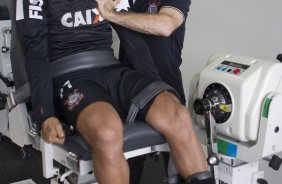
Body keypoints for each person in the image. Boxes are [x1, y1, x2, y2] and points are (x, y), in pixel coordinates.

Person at [16, 0, 214, 184]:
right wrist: (45, 115)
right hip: (69, 74)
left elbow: (131, 38)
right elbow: (35, 52)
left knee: (177, 114)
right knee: (108, 132)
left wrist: (154, 86)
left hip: (111, 68)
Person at [96, 0, 190, 182]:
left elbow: (165, 25)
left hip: (167, 90)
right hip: (128, 94)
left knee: (179, 172)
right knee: (128, 169)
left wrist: (113, 15)